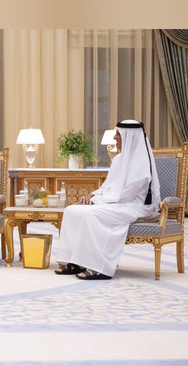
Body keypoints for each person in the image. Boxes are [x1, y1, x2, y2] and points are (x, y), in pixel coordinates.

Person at [55, 119, 160, 279]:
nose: (114, 137)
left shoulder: (142, 164)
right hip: (114, 204)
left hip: (132, 207)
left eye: (118, 134)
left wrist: (96, 201)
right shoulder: (118, 160)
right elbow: (107, 187)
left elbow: (126, 195)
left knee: (90, 214)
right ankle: (75, 262)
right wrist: (91, 196)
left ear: (129, 137)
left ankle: (101, 267)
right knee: (71, 210)